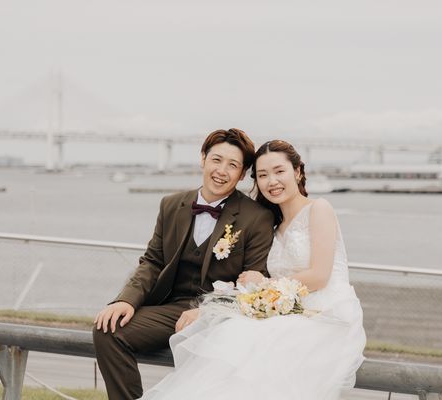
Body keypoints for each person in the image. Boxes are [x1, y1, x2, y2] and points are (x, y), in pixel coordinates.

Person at [142, 139, 366, 399]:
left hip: (325, 311)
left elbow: (319, 275)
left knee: (248, 347)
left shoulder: (319, 209)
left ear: (297, 171)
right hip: (285, 309)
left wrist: (263, 285)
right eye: (263, 175)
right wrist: (219, 303)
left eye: (279, 171)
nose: (272, 181)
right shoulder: (274, 226)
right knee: (230, 339)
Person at [93, 128, 275, 400]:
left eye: (232, 165)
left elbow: (253, 283)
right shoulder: (171, 205)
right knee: (108, 330)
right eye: (216, 160)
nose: (221, 171)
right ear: (203, 159)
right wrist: (126, 300)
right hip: (172, 308)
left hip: (221, 316)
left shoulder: (257, 217)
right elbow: (153, 261)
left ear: (241, 173)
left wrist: (208, 311)